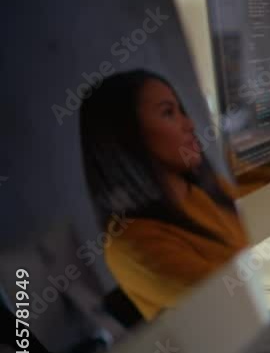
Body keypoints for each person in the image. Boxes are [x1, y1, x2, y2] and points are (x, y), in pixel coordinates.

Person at [79, 70, 249, 319]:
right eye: (168, 112)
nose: (189, 125)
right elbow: (238, 296)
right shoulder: (130, 244)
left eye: (182, 111)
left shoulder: (206, 189)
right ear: (127, 135)